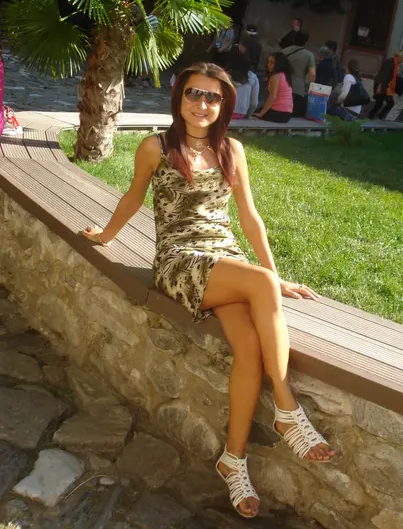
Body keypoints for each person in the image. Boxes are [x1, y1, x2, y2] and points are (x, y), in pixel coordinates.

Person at [81, 63, 334, 519]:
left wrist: (275, 275)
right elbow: (134, 197)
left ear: (224, 105)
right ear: (179, 97)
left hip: (224, 260)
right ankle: (287, 407)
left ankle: (232, 460)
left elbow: (249, 217)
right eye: (194, 94)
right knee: (260, 282)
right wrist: (105, 236)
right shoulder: (156, 147)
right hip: (179, 261)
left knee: (250, 345)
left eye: (213, 97)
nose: (202, 104)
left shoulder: (232, 149)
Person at [282, 30, 316, 118]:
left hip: (282, 88)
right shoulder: (309, 55)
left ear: (294, 39)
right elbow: (312, 74)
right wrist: (310, 88)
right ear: (306, 41)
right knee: (295, 114)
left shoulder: (283, 52)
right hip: (298, 90)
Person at [253, 52, 293, 123]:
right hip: (287, 114)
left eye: (272, 62)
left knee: (254, 113)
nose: (268, 64)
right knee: (258, 109)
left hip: (278, 113)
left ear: (279, 64)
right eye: (268, 62)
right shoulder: (285, 75)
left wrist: (260, 114)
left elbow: (272, 97)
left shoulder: (275, 76)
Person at [369, 51, 403, 120]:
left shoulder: (396, 64)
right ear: (398, 57)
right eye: (402, 59)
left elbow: (391, 75)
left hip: (387, 86)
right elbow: (383, 75)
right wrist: (379, 87)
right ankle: (371, 116)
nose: (402, 61)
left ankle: (379, 116)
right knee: (379, 103)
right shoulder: (389, 62)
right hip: (381, 84)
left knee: (390, 103)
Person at [227, 49, 260, 119]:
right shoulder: (253, 78)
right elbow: (254, 103)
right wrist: (248, 116)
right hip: (241, 114)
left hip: (224, 112)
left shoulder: (224, 76)